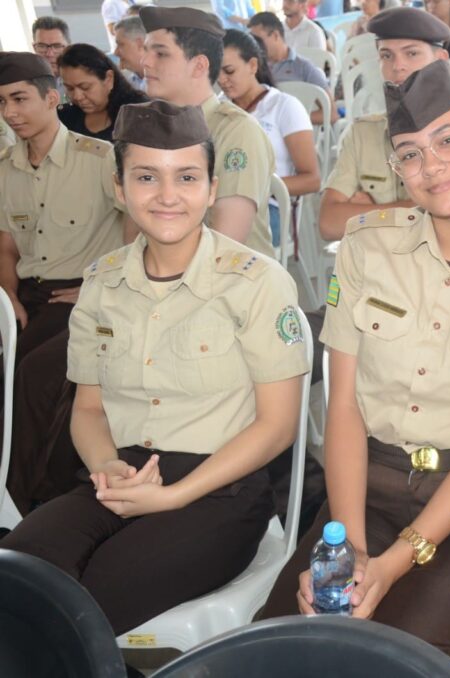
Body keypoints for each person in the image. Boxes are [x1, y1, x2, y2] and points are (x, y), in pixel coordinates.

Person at [259, 60, 450, 657]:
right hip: (363, 489)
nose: (432, 167)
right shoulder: (367, 247)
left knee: (392, 655)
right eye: (410, 153)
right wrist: (344, 550)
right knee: (280, 648)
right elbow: (342, 407)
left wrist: (394, 563)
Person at [0, 99, 309, 637]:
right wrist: (106, 466)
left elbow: (277, 426)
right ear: (119, 189)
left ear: (212, 189)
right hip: (118, 474)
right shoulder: (103, 280)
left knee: (84, 605)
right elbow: (89, 409)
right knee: (18, 574)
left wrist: (174, 495)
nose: (167, 196)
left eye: (187, 177)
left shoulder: (256, 282)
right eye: (146, 177)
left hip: (220, 492)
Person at [0, 52, 125, 513]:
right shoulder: (5, 167)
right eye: (1, 103)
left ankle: (33, 499)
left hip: (86, 296)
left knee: (34, 374)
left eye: (19, 99)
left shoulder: (98, 158)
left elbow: (137, 230)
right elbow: (6, 247)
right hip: (28, 293)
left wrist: (100, 285)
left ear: (52, 98)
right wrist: (8, 295)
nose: (10, 113)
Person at [142, 5, 275, 257]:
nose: (145, 61)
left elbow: (225, 245)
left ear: (199, 66)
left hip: (229, 287)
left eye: (160, 53)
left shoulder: (236, 132)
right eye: (146, 51)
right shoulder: (150, 130)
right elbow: (134, 231)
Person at [318, 7, 450, 241]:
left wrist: (367, 214)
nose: (397, 66)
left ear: (440, 61)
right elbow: (329, 223)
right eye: (387, 55)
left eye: (411, 54)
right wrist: (416, 208)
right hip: (378, 269)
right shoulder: (362, 133)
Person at [220, 29, 321, 247]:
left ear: (253, 66)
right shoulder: (218, 108)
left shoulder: (283, 106)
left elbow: (311, 179)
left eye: (229, 71)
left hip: (268, 208)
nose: (221, 80)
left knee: (220, 240)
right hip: (220, 203)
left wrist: (253, 186)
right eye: (215, 73)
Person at [248, 12, 335, 124]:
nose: (254, 45)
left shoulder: (304, 68)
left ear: (275, 35)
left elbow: (332, 114)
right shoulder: (253, 69)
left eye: (258, 40)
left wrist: (287, 119)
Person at [58, 43, 149, 143]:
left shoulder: (139, 113)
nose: (77, 96)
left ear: (109, 79)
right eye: (70, 88)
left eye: (85, 87)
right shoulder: (64, 117)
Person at [32, 16, 70, 102]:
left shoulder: (81, 79)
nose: (49, 54)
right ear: (34, 48)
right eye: (42, 46)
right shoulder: (26, 83)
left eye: (56, 46)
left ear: (68, 47)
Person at [114, 16, 148, 92]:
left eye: (121, 44)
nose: (115, 52)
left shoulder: (166, 84)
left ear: (139, 44)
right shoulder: (125, 82)